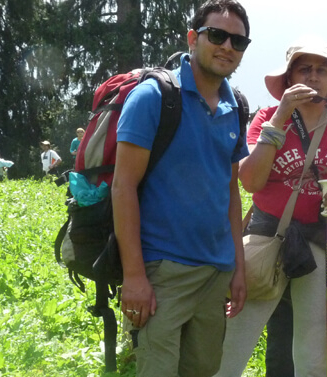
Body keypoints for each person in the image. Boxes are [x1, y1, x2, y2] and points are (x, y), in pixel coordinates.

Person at [215, 36, 327, 377]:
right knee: (234, 337)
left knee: (314, 349)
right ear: (289, 79)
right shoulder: (267, 119)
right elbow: (250, 181)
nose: (314, 77)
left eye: (322, 70)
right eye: (305, 69)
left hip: (320, 243)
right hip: (267, 237)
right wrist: (280, 118)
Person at [111, 0, 251, 375]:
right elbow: (123, 187)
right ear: (193, 37)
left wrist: (238, 267)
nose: (227, 47)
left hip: (216, 273)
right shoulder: (154, 97)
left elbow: (231, 192)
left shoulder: (234, 107)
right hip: (162, 272)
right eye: (217, 35)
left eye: (238, 42)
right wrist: (135, 276)